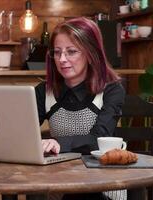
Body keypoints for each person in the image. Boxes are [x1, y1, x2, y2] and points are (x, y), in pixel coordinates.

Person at [34, 17, 126, 200]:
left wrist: (59, 143)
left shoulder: (112, 90)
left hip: (103, 187)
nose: (62, 59)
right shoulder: (44, 92)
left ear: (91, 53)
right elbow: (22, 133)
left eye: (71, 52)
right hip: (60, 184)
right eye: (57, 52)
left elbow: (99, 138)